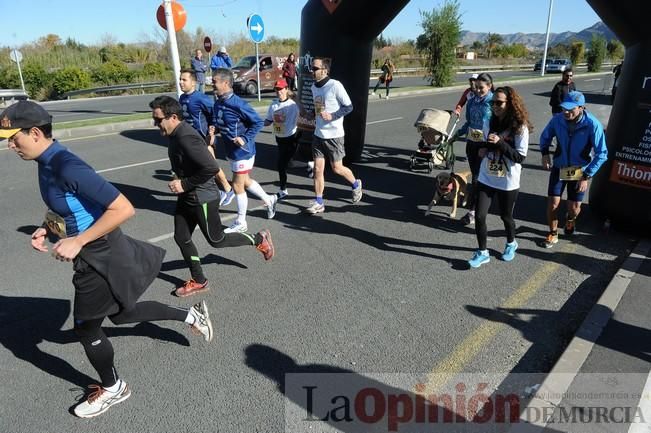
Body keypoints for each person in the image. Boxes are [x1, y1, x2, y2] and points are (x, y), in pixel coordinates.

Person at [0, 100, 215, 418]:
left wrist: (79, 241)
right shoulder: (44, 162)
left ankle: (114, 388)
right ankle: (192, 317)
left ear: (34, 133)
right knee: (122, 314)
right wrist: (46, 228)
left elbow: (123, 208)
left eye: (13, 136)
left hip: (100, 254)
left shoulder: (66, 165)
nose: (9, 144)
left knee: (86, 329)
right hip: (98, 250)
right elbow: (72, 207)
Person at [149, 96, 275, 297]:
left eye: (158, 120)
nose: (156, 124)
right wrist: (179, 177)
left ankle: (259, 238)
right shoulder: (174, 135)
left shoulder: (185, 137)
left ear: (173, 117)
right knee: (181, 237)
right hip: (188, 196)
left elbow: (211, 167)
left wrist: (184, 183)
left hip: (202, 197)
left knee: (217, 240)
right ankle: (199, 280)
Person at [467, 86, 531, 268]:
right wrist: (484, 148)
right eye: (493, 102)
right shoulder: (489, 122)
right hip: (487, 176)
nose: (494, 105)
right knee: (479, 216)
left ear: (510, 104)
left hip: (508, 180)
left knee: (506, 216)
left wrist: (500, 143)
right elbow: (489, 144)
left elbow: (520, 157)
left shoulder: (520, 127)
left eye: (499, 102)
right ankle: (482, 252)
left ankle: (511, 243)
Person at [210, 68, 277, 233]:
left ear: (225, 83)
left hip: (243, 151)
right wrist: (214, 130)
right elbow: (221, 122)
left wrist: (244, 138)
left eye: (214, 81)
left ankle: (241, 222)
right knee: (246, 182)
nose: (212, 84)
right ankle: (270, 200)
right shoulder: (218, 102)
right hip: (231, 151)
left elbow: (257, 123)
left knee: (238, 186)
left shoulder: (238, 104)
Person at [539, 91, 608, 248]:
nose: (566, 112)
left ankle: (570, 219)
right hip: (560, 167)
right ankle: (553, 233)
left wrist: (587, 175)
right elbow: (545, 137)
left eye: (571, 109)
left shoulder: (592, 124)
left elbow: (602, 153)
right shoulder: (557, 120)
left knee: (574, 208)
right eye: (564, 108)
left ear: (582, 107)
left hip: (579, 171)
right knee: (552, 204)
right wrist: (544, 154)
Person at [304, 57, 362, 214]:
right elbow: (319, 108)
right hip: (318, 134)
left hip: (334, 135)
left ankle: (356, 184)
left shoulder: (335, 85)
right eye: (311, 68)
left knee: (337, 168)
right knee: (317, 169)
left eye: (315, 68)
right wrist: (310, 114)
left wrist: (333, 116)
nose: (312, 71)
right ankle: (319, 202)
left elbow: (348, 106)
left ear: (325, 70)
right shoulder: (314, 87)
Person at [178, 68, 234, 206]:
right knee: (200, 167)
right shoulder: (182, 98)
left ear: (193, 82)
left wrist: (212, 132)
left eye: (184, 80)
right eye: (180, 79)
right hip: (189, 140)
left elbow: (214, 114)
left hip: (202, 139)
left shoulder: (201, 98)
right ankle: (221, 190)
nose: (180, 82)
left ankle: (227, 189)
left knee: (211, 166)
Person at [457, 72, 494, 226]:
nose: (477, 90)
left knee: (479, 178)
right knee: (476, 177)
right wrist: (456, 134)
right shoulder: (472, 101)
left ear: (489, 87)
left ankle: (473, 211)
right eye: (476, 87)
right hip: (472, 144)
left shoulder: (494, 102)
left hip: (487, 145)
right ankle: (478, 207)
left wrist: (491, 143)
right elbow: (469, 123)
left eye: (481, 88)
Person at [264, 79, 299, 199]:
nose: (279, 91)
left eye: (281, 89)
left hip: (291, 138)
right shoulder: (273, 104)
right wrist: (256, 123)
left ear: (286, 89)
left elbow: (303, 117)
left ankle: (283, 189)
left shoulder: (293, 105)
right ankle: (309, 164)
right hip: (279, 138)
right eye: (277, 89)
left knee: (281, 164)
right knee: (289, 163)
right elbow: (268, 121)